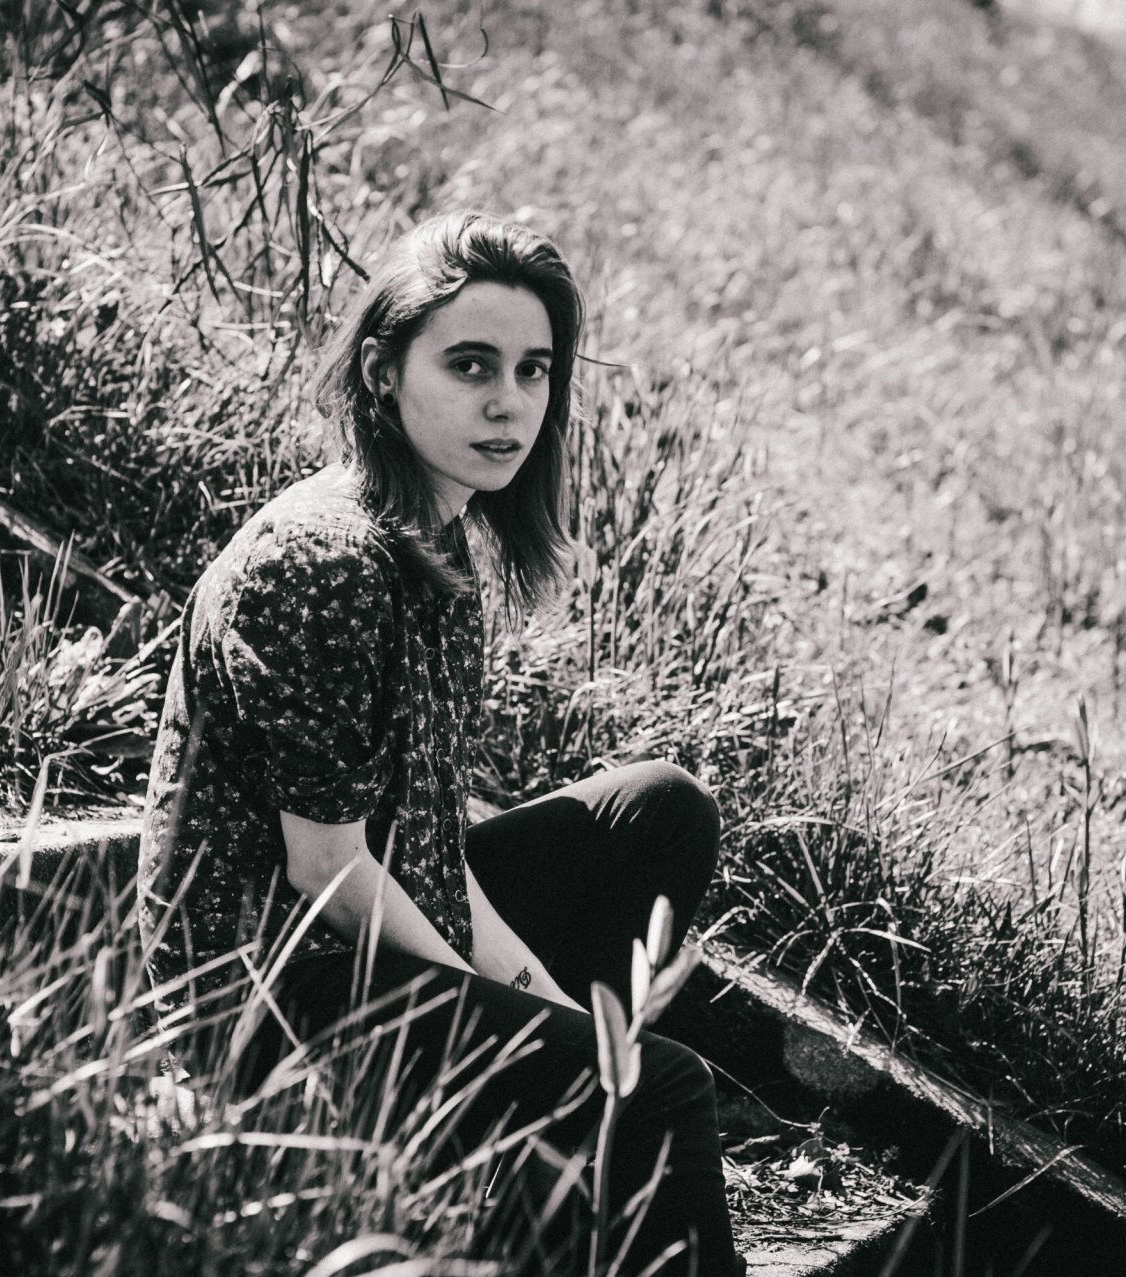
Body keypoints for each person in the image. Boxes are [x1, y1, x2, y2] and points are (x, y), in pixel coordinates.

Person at [138, 210, 743, 1276]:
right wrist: (526, 1006)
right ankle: (567, 1169)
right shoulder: (320, 562)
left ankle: (542, 1180)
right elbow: (328, 874)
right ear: (383, 370)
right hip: (269, 996)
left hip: (361, 938)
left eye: (533, 369)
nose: (508, 401)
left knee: (661, 809)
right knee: (668, 1081)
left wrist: (536, 997)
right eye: (470, 365)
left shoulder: (434, 543)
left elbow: (424, 841)